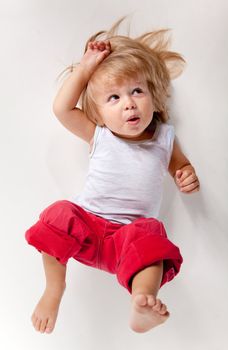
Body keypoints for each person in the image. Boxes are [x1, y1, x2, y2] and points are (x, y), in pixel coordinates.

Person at [25, 17, 200, 335]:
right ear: (98, 111)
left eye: (137, 91)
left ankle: (142, 300)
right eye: (114, 98)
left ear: (153, 94)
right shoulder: (100, 135)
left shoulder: (163, 137)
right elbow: (62, 108)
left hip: (126, 243)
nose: (129, 104)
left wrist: (186, 175)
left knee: (151, 235)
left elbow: (180, 166)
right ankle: (54, 289)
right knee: (59, 214)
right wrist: (85, 69)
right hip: (87, 230)